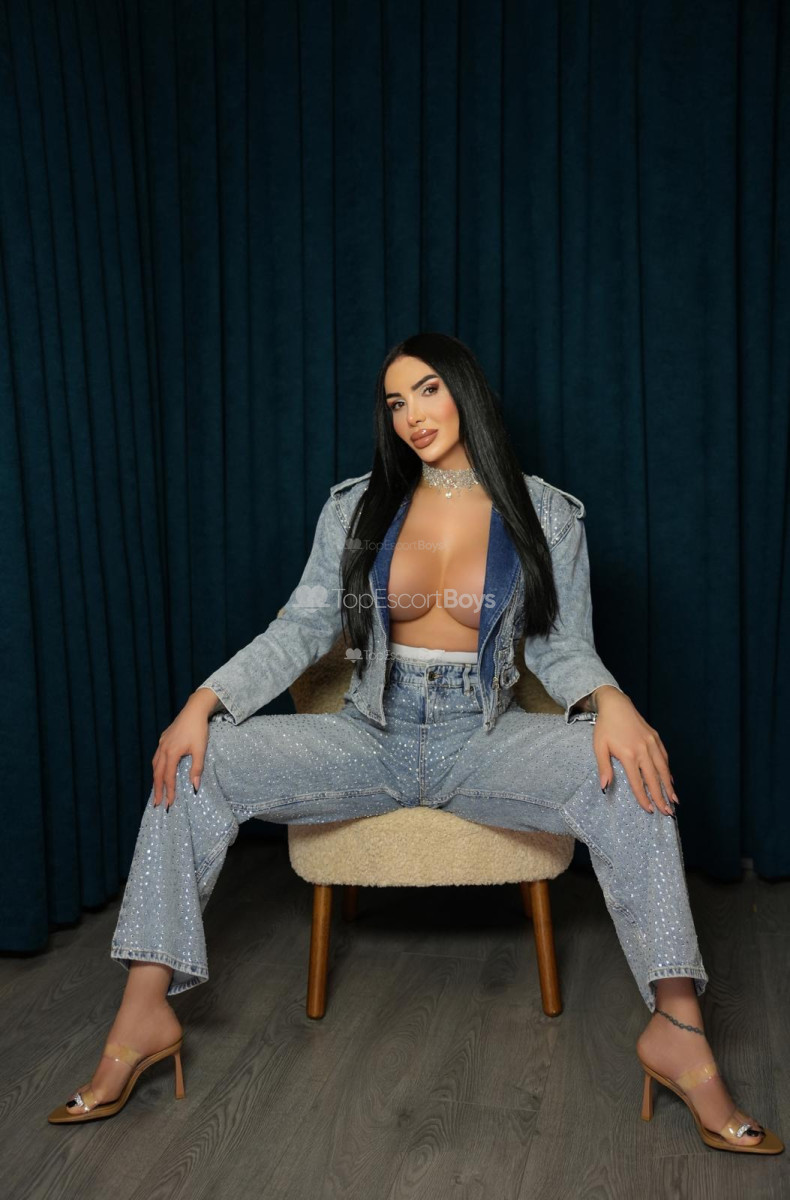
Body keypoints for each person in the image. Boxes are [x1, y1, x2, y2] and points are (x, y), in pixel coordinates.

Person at [47, 333, 783, 1154]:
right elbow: (302, 629)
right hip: (370, 731)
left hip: (485, 736)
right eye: (396, 402)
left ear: (466, 391)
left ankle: (678, 1029)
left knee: (637, 778)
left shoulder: (545, 513)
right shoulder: (357, 509)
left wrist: (610, 702)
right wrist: (203, 702)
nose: (412, 416)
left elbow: (560, 644)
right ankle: (144, 1010)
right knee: (192, 763)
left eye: (428, 390)